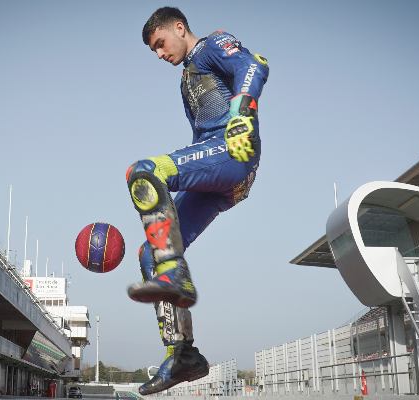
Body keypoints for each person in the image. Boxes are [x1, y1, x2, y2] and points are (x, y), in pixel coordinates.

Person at [125, 6, 269, 395]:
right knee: (149, 254)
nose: (159, 54)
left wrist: (244, 110)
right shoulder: (186, 76)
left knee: (144, 171)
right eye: (153, 50)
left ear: (179, 27)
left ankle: (175, 274)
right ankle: (183, 353)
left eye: (160, 43)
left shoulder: (209, 47)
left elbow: (253, 65)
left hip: (232, 150)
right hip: (216, 171)